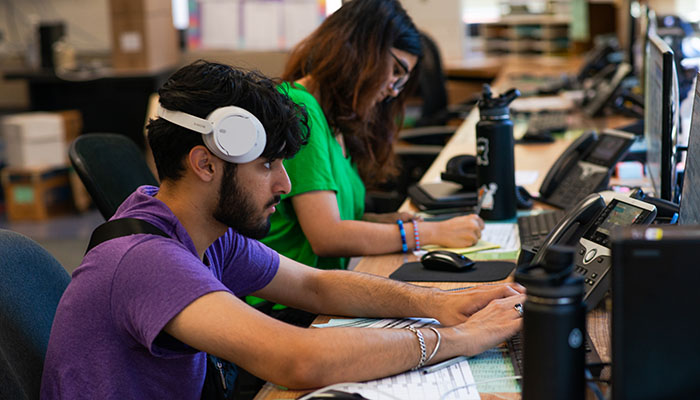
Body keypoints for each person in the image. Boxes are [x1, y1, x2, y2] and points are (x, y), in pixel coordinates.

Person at [41, 61, 524, 398]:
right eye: (267, 163)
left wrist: (440, 304)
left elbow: (315, 285)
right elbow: (297, 359)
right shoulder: (146, 259)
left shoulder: (199, 229)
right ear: (205, 164)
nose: (285, 183)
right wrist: (461, 340)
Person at [261, 0, 484, 270]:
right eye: (396, 71)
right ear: (358, 49)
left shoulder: (334, 117)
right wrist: (431, 234)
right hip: (287, 305)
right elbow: (327, 236)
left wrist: (386, 222)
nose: (394, 90)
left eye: (402, 80)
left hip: (318, 288)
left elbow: (334, 217)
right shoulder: (299, 109)